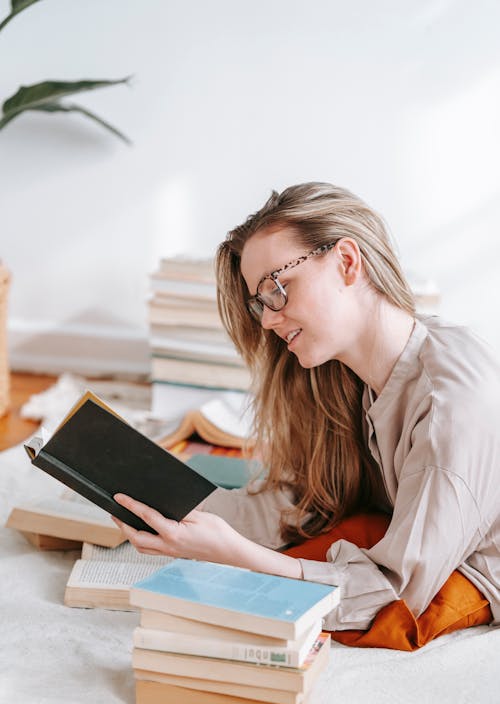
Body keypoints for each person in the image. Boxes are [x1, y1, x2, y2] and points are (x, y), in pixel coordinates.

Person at [113, 182, 499, 646]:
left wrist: (235, 555)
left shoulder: (450, 407)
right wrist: (158, 500)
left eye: (277, 289)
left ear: (347, 262)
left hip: (472, 569)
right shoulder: (344, 375)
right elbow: (306, 503)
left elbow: (391, 595)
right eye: (260, 302)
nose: (268, 320)